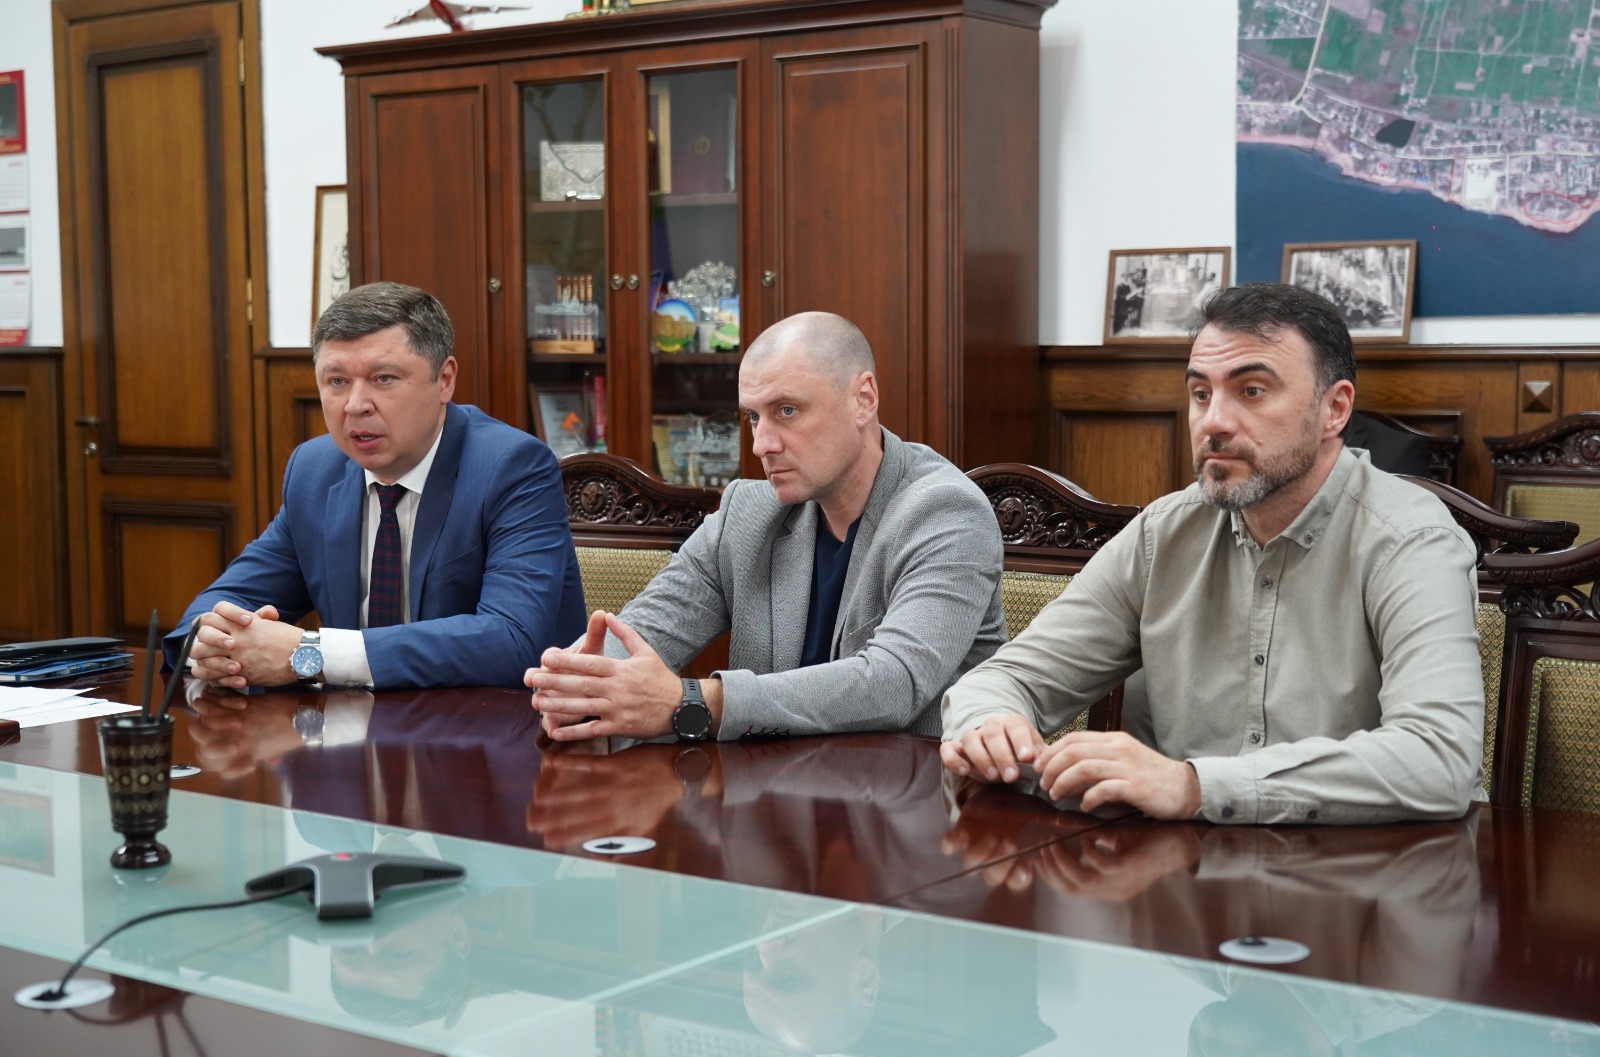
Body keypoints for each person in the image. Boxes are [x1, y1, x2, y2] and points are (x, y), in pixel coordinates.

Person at [940, 283, 1484, 825]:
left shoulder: (1411, 541)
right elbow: (1002, 680)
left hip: (1367, 868)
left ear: (1334, 409)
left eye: (1252, 391)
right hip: (1176, 866)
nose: (1214, 422)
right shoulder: (1164, 532)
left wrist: (1195, 785)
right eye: (1201, 394)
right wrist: (992, 726)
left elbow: (1439, 758)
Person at [524, 311, 1006, 741]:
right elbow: (646, 630)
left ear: (863, 400)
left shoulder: (946, 513)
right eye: (754, 417)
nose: (762, 444)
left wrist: (693, 702)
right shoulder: (749, 514)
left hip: (916, 800)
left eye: (787, 411)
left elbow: (891, 684)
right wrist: (580, 687)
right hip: (767, 799)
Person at [165, 281, 586, 689]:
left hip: (493, 727)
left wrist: (311, 653)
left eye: (383, 378)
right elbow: (221, 605)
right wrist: (211, 645)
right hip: (353, 726)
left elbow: (512, 639)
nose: (355, 405)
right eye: (337, 382)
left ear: (444, 380)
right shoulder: (315, 470)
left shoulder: (511, 468)